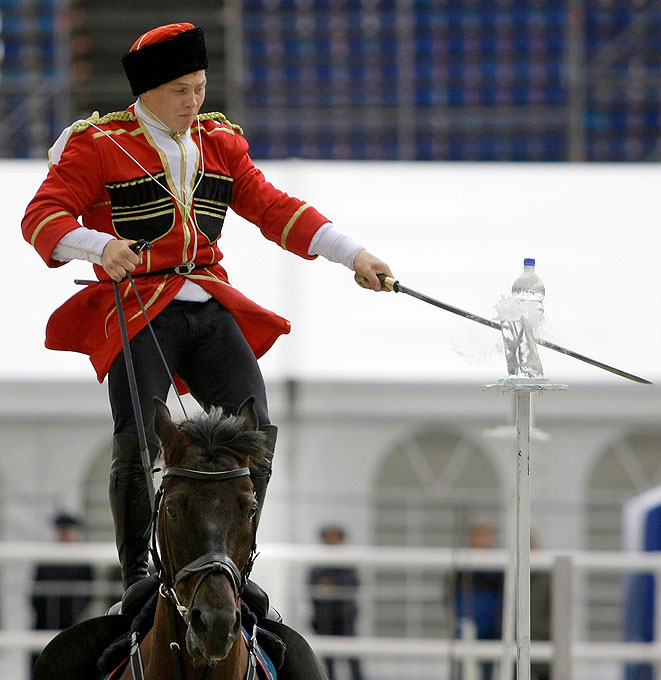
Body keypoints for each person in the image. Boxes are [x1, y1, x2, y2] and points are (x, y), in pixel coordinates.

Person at [22, 22, 392, 603]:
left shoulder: (221, 142)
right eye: (180, 91)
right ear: (146, 91)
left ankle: (233, 567)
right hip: (141, 305)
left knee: (257, 433)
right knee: (138, 438)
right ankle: (138, 575)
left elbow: (275, 208)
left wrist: (353, 255)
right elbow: (40, 218)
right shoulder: (98, 144)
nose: (194, 102)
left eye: (200, 87)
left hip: (208, 301)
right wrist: (98, 246)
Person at [31, 514, 93, 668]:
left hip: (72, 620)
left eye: (69, 531)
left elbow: (87, 595)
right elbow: (36, 596)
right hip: (45, 622)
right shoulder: (46, 561)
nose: (65, 535)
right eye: (62, 531)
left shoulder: (83, 562)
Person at [308, 525, 363, 680]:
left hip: (345, 617)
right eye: (328, 538)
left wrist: (332, 585)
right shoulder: (318, 563)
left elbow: (353, 584)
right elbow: (312, 586)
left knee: (352, 657)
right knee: (328, 659)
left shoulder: (346, 562)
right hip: (324, 617)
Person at [452, 522, 504, 680]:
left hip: (492, 630)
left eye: (486, 537)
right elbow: (450, 593)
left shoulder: (498, 566)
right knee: (463, 670)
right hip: (466, 626)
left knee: (488, 672)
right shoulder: (462, 565)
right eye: (479, 536)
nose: (482, 541)